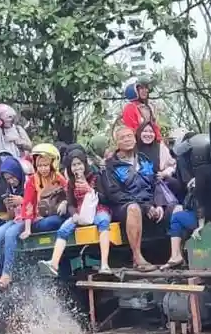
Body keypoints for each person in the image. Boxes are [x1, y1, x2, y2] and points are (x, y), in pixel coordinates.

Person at [100, 124, 164, 271]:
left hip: (148, 204)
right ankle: (137, 257)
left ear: (135, 139)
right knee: (133, 208)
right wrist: (143, 206)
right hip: (124, 207)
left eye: (129, 136)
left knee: (176, 210)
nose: (127, 140)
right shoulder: (111, 166)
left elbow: (156, 184)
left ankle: (176, 255)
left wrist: (158, 204)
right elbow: (114, 194)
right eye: (123, 138)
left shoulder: (144, 160)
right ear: (117, 143)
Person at [42, 148, 113, 276]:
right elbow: (70, 203)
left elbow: (105, 198)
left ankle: (104, 264)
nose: (77, 168)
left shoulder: (96, 177)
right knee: (63, 229)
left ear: (85, 164)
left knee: (103, 221)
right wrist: (74, 214)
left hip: (98, 209)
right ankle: (54, 263)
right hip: (80, 212)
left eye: (79, 164)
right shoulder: (71, 183)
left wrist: (90, 190)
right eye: (74, 165)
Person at [0, 157, 28, 288]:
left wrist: (22, 201)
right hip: (16, 218)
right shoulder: (10, 189)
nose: (11, 181)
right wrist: (10, 206)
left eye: (12, 177)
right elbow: (12, 215)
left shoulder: (28, 184)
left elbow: (35, 206)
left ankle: (7, 273)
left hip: (29, 219)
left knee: (10, 234)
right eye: (7, 179)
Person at [20, 144, 69, 236]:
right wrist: (27, 229)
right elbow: (28, 204)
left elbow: (69, 194)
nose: (43, 169)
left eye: (46, 165)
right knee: (51, 223)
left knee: (59, 220)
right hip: (39, 219)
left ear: (52, 164)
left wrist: (65, 203)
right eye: (40, 166)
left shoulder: (58, 177)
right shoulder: (32, 180)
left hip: (57, 214)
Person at [121, 77, 161, 142]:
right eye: (141, 88)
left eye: (146, 88)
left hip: (152, 144)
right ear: (133, 90)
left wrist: (159, 143)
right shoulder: (130, 108)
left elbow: (155, 129)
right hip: (138, 146)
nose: (146, 90)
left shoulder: (149, 107)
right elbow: (133, 131)